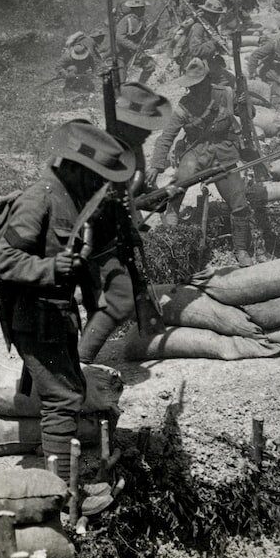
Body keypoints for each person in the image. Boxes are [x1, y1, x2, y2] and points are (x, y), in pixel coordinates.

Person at [0, 120, 135, 484]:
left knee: (70, 391)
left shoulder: (73, 199)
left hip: (57, 315)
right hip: (33, 314)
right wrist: (51, 268)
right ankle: (60, 490)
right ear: (73, 167)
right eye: (94, 175)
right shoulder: (40, 198)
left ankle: (62, 483)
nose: (99, 184)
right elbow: (4, 261)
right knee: (62, 398)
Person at [78, 86, 170, 363]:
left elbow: (134, 190)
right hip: (92, 236)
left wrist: (161, 196)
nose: (148, 133)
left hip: (116, 232)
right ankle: (81, 362)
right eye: (142, 127)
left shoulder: (134, 147)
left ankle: (80, 358)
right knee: (120, 298)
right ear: (125, 123)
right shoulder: (100, 148)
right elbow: (91, 200)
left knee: (102, 298)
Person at [149, 58, 255, 266]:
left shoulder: (226, 94)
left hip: (223, 152)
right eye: (191, 86)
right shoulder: (184, 105)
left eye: (198, 84)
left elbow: (248, 115)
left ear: (207, 80)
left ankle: (241, 249)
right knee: (181, 179)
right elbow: (167, 136)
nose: (194, 89)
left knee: (239, 203)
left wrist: (246, 103)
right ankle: (172, 213)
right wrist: (156, 164)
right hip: (196, 152)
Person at [174, 0, 230, 84]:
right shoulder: (198, 27)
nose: (217, 17)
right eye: (214, 15)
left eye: (218, 15)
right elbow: (195, 51)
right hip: (195, 66)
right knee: (225, 81)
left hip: (207, 62)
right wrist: (213, 43)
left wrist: (221, 43)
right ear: (207, 13)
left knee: (230, 78)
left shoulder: (210, 26)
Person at [115, 0, 152, 74]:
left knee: (150, 65)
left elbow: (142, 35)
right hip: (122, 54)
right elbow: (120, 38)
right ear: (136, 9)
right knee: (121, 75)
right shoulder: (126, 20)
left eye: (143, 7)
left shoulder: (141, 20)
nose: (144, 9)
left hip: (135, 52)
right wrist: (134, 46)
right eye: (142, 8)